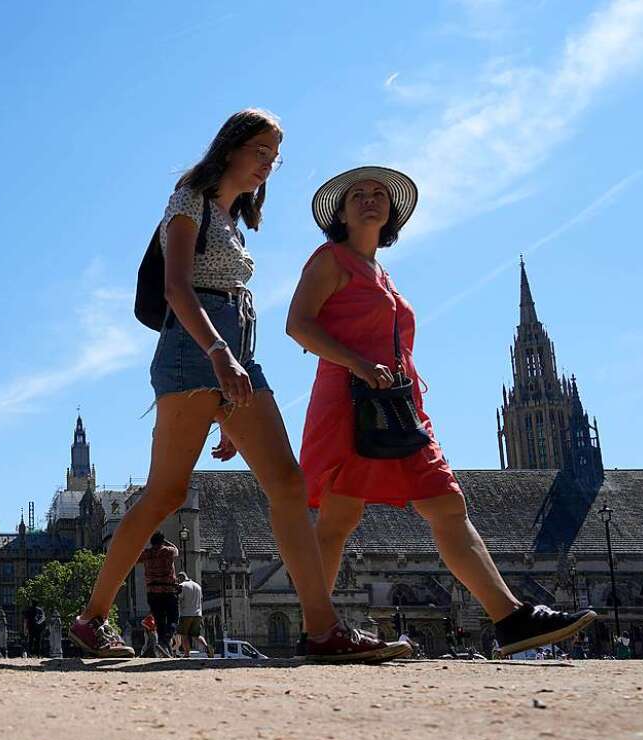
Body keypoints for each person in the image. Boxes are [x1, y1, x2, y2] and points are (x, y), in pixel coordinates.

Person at [69, 109, 409, 663]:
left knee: (287, 483)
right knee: (165, 493)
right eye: (260, 152)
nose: (267, 166)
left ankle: (322, 628)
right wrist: (219, 356)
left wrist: (229, 394)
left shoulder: (231, 218)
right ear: (230, 147)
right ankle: (92, 618)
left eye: (274, 158)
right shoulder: (189, 201)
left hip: (236, 351)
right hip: (197, 347)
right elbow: (179, 289)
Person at [285, 165, 598, 658]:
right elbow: (298, 326)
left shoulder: (381, 273)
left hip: (401, 405)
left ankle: (510, 617)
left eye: (379, 195)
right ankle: (320, 630)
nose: (371, 200)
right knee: (339, 516)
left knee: (446, 503)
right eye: (359, 195)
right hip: (351, 401)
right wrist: (359, 364)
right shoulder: (330, 260)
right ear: (341, 213)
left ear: (391, 213)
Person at [138, 533, 181, 653]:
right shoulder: (168, 551)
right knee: (173, 618)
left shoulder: (146, 554)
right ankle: (166, 640)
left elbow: (136, 559)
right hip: (168, 590)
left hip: (152, 592)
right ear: (162, 541)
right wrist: (166, 542)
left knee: (159, 619)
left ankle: (163, 644)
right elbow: (177, 550)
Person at [176, 572, 212, 657]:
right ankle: (207, 647)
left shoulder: (182, 586)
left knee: (184, 634)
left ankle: (187, 654)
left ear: (180, 578)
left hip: (186, 614)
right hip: (198, 614)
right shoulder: (198, 586)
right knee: (196, 635)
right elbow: (201, 599)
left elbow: (179, 598)